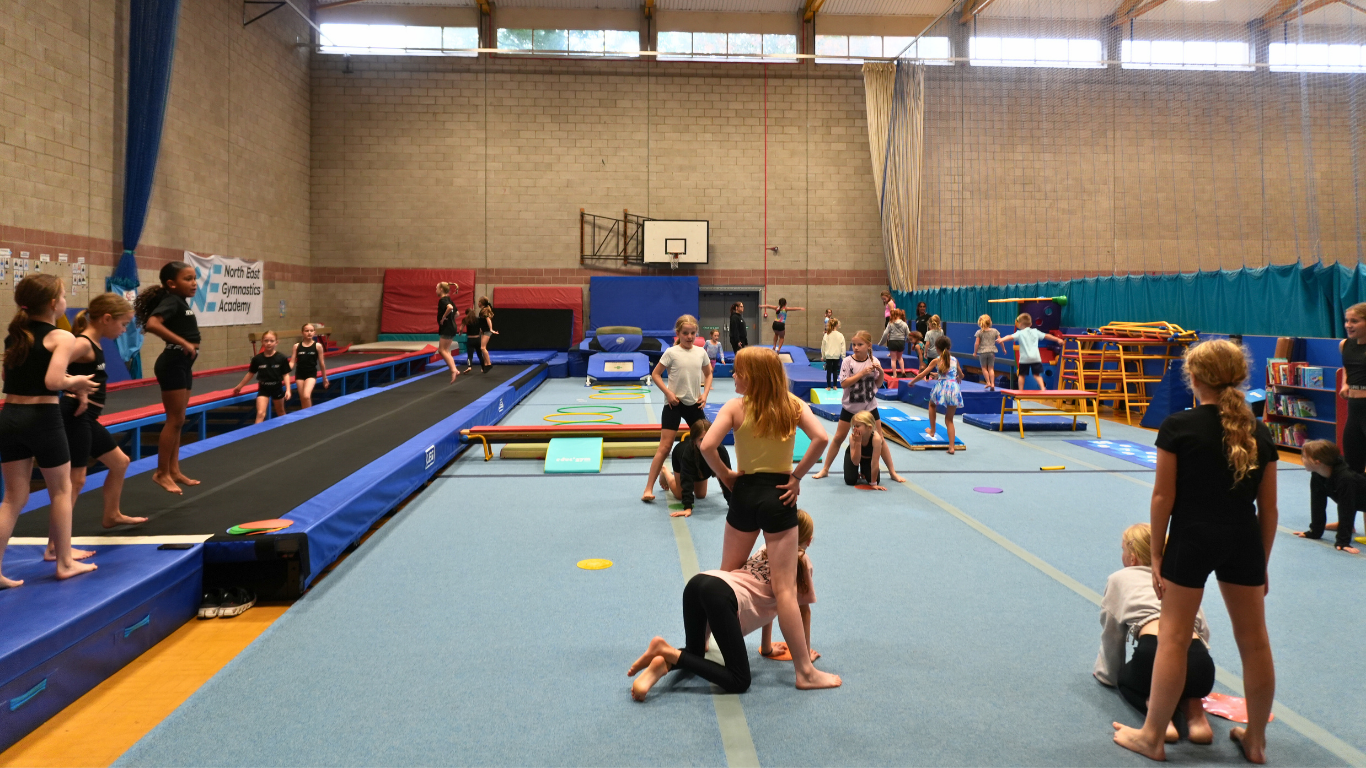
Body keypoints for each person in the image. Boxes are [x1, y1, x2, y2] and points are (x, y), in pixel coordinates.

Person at [1111, 339, 1278, 764]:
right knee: (1255, 643)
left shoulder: (1179, 427)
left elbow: (1162, 498)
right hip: (1243, 540)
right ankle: (1256, 741)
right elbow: (1269, 507)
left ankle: (1152, 736)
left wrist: (1156, 556)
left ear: (1195, 378)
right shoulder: (1258, 430)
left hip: (1193, 538)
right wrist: (1262, 560)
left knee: (1173, 638)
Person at [698, 347, 839, 690]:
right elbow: (821, 437)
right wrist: (797, 477)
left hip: (744, 492)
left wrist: (727, 476)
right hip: (780, 494)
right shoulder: (791, 404)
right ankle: (804, 672)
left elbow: (706, 447)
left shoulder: (736, 407)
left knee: (726, 575)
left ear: (754, 377)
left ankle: (699, 645)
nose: (733, 376)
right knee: (785, 589)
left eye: (738, 372)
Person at [628, 510, 819, 700]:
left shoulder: (766, 548)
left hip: (701, 582)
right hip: (722, 597)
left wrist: (767, 648)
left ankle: (661, 664)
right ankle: (666, 650)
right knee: (739, 680)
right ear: (809, 540)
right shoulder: (801, 561)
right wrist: (805, 658)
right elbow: (802, 612)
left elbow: (772, 600)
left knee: (695, 652)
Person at [0, 274, 100, 586]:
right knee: (61, 489)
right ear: (54, 303)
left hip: (10, 415)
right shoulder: (61, 337)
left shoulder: (15, 335)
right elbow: (53, 381)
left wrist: (69, 388)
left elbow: (14, 378)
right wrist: (77, 382)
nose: (67, 301)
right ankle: (65, 562)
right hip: (42, 418)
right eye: (65, 296)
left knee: (13, 498)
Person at [1096, 523, 1215, 746]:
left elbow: (1112, 634)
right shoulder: (1180, 579)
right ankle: (1197, 719)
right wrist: (1200, 663)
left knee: (1129, 680)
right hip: (1201, 663)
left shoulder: (1120, 578)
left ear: (1132, 558)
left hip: (1154, 653)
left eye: (1123, 550)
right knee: (1185, 681)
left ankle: (1162, 720)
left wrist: (1108, 675)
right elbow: (1202, 628)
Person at [53, 294, 144, 547]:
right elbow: (51, 368)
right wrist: (74, 389)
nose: (124, 329)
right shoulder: (82, 343)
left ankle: (111, 515)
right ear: (106, 319)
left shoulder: (95, 341)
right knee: (76, 480)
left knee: (120, 462)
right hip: (76, 415)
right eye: (123, 324)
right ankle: (56, 545)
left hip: (88, 418)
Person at [136, 261, 201, 495]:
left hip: (183, 364)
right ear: (171, 284)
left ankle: (174, 470)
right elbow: (153, 324)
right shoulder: (172, 301)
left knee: (179, 420)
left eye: (194, 278)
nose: (193, 283)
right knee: (174, 420)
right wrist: (182, 342)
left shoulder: (180, 302)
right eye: (188, 279)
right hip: (173, 363)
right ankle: (161, 472)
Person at [812, 331, 904, 483]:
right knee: (838, 438)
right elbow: (844, 383)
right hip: (850, 408)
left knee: (880, 439)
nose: (855, 347)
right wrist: (862, 373)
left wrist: (880, 372)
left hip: (869, 408)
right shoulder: (848, 362)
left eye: (860, 345)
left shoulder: (874, 361)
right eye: (854, 344)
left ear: (868, 346)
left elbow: (878, 384)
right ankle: (825, 469)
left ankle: (892, 472)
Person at [643, 315, 713, 503]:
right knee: (665, 446)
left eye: (692, 333)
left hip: (694, 404)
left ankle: (700, 478)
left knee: (705, 444)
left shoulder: (701, 352)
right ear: (678, 333)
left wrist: (705, 394)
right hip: (674, 404)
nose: (689, 337)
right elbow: (656, 374)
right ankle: (649, 487)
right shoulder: (671, 353)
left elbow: (708, 374)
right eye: (685, 333)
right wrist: (668, 393)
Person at [1293, 440, 1365, 554]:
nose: (1302, 459)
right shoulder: (1317, 474)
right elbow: (1317, 503)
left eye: (1304, 457)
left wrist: (1343, 541)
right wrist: (1315, 531)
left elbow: (1347, 509)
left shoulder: (1345, 479)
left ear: (1317, 462)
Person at [658, 418, 732, 518]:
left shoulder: (720, 450)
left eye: (708, 438)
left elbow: (726, 476)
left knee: (701, 495)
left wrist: (731, 503)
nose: (706, 443)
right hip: (680, 458)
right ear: (694, 441)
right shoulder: (688, 454)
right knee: (680, 495)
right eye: (701, 440)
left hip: (701, 468)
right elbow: (686, 480)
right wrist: (687, 507)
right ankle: (665, 471)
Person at [905, 336, 962, 455]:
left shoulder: (936, 360)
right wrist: (955, 377)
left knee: (932, 405)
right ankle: (951, 447)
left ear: (936, 348)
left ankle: (932, 430)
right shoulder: (954, 360)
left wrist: (911, 382)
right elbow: (960, 374)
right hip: (953, 387)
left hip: (942, 387)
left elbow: (921, 375)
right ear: (949, 347)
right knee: (949, 420)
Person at [232, 330, 292, 424]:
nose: (269, 343)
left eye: (271, 341)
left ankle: (287, 429)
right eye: (266, 341)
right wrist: (240, 386)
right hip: (264, 388)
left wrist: (288, 390)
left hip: (277, 387)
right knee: (260, 413)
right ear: (262, 342)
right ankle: (257, 435)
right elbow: (250, 374)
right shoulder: (257, 359)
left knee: (280, 411)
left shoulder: (281, 358)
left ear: (276, 342)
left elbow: (285, 374)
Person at [1338, 303, 1366, 471]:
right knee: (1352, 464)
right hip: (1354, 410)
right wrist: (1345, 383)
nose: (1348, 325)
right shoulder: (1345, 345)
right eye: (1347, 320)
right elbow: (1346, 368)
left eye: (1354, 321)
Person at [998, 313, 1055, 391]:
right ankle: (1042, 388)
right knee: (1037, 375)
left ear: (1020, 324)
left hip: (1025, 359)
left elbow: (1010, 337)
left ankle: (1021, 390)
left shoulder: (1020, 333)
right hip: (1035, 358)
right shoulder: (1035, 331)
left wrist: (1002, 339)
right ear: (1031, 324)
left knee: (1021, 375)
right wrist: (1057, 339)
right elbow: (1047, 336)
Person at [844, 411, 888, 489]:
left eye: (858, 426)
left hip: (868, 459)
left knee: (875, 480)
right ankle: (857, 472)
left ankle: (864, 470)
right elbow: (856, 462)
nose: (854, 429)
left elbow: (875, 462)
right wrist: (858, 442)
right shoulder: (853, 437)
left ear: (869, 427)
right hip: (853, 456)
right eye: (854, 426)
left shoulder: (876, 439)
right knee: (850, 480)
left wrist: (874, 483)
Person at [290, 323, 329, 409]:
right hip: (300, 374)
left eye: (311, 331)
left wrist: (324, 378)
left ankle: (309, 416)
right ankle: (305, 416)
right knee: (303, 398)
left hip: (311, 373)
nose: (309, 333)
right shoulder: (297, 346)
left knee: (306, 396)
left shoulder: (318, 346)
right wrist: (286, 370)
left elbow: (322, 363)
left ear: (314, 332)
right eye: (306, 331)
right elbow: (292, 361)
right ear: (302, 332)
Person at [435, 282, 460, 384]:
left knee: (442, 350)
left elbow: (450, 308)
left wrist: (444, 317)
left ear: (441, 289)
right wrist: (450, 319)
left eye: (436, 288)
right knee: (445, 350)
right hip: (452, 326)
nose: (435, 290)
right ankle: (454, 369)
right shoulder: (449, 299)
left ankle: (454, 370)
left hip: (447, 327)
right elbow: (457, 314)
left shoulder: (443, 300)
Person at [878, 309, 911, 377]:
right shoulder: (904, 324)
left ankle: (894, 374)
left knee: (893, 359)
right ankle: (903, 371)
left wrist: (881, 343)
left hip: (892, 341)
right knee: (900, 358)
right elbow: (908, 334)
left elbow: (885, 333)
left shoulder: (891, 323)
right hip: (901, 342)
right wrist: (908, 340)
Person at [975, 314, 1003, 390]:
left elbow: (977, 343)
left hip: (982, 352)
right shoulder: (995, 331)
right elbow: (1001, 341)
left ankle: (988, 382)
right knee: (991, 368)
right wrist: (1004, 349)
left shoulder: (979, 332)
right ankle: (993, 384)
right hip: (991, 352)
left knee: (984, 368)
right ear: (990, 322)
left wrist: (975, 352)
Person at [821, 318, 846, 390]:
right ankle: (835, 386)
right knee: (835, 371)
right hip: (836, 355)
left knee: (829, 371)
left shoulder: (827, 335)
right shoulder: (840, 335)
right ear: (837, 325)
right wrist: (843, 356)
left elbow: (823, 346)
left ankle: (828, 386)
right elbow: (843, 347)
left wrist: (823, 356)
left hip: (828, 355)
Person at [476, 297, 497, 373]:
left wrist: (491, 329)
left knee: (482, 347)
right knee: (483, 348)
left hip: (487, 331)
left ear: (481, 303)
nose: (478, 303)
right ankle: (485, 365)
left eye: (479, 302)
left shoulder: (485, 310)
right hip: (484, 331)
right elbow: (483, 321)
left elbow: (488, 320)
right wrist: (481, 329)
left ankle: (488, 364)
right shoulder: (483, 310)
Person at [462, 305, 481, 373]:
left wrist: (460, 332)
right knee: (479, 354)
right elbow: (481, 330)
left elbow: (461, 328)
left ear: (467, 314)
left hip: (470, 339)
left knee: (470, 355)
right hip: (477, 339)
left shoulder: (465, 319)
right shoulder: (477, 319)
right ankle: (483, 367)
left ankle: (469, 366)